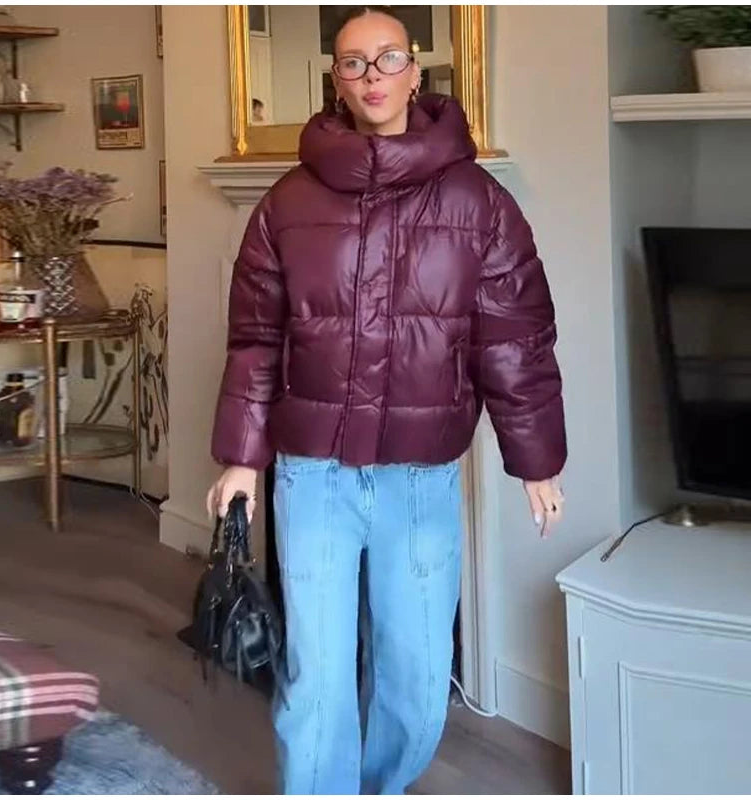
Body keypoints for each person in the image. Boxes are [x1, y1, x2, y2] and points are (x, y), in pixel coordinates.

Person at [206, 6, 567, 794]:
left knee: (415, 677)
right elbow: (256, 338)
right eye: (353, 63)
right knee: (317, 679)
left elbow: (515, 337)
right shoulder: (286, 202)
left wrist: (535, 459)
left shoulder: (477, 201)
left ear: (415, 70)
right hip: (314, 476)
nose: (372, 76)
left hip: (420, 480)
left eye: (387, 58)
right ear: (335, 80)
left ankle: (377, 786)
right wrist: (242, 458)